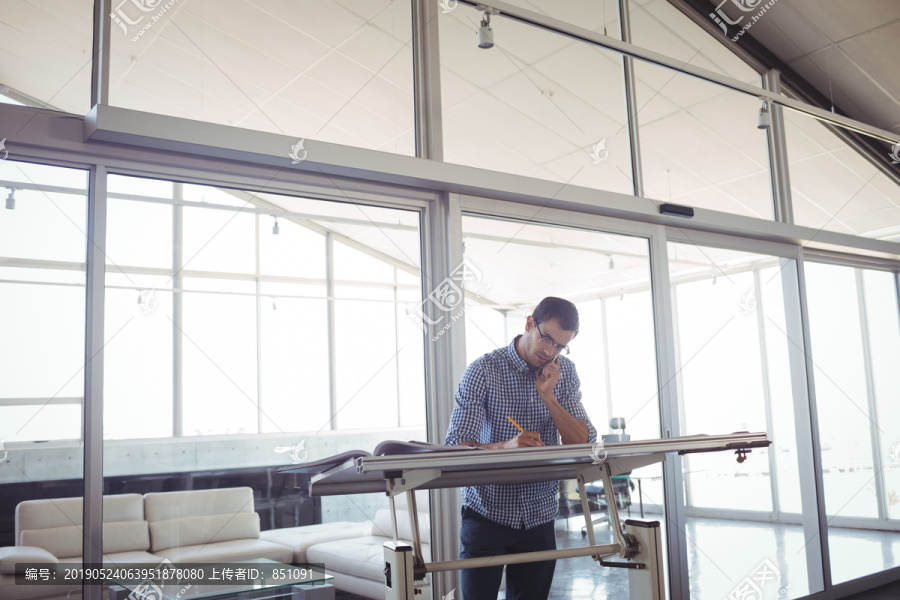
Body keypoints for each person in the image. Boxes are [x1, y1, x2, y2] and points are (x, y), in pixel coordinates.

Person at [444, 296, 597, 600]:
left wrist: (549, 397)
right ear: (529, 324)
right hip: (487, 514)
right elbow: (455, 447)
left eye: (559, 346)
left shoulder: (562, 372)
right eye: (546, 339)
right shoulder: (483, 371)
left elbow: (585, 443)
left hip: (539, 516)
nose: (549, 351)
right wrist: (508, 446)